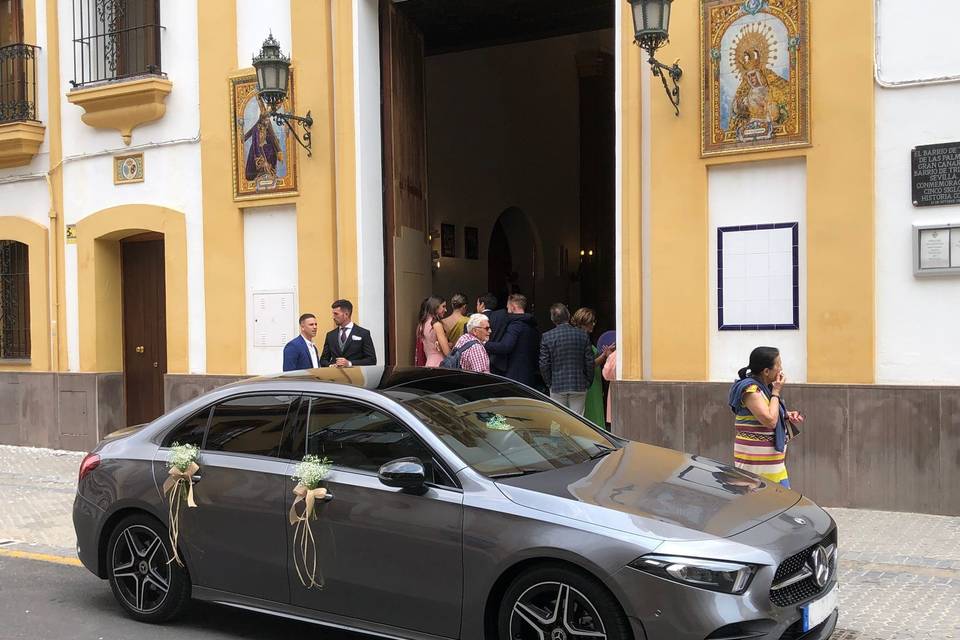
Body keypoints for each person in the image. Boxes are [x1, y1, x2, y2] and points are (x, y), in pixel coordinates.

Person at [727, 346, 804, 488]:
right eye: (778, 365)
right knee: (757, 504)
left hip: (774, 464)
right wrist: (776, 391)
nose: (781, 369)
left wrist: (785, 414)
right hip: (755, 464)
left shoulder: (764, 388)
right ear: (766, 371)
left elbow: (768, 413)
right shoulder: (751, 390)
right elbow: (769, 421)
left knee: (781, 501)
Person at [539, 303, 594, 415]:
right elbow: (589, 361)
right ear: (569, 316)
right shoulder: (582, 335)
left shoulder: (547, 337)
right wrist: (588, 381)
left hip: (557, 384)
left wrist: (549, 383)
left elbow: (544, 364)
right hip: (579, 384)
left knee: (559, 419)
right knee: (578, 420)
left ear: (552, 319)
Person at [484, 294, 541, 388]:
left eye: (508, 308)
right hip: (529, 374)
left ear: (513, 307)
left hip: (515, 375)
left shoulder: (515, 325)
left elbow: (505, 346)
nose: (507, 312)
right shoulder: (532, 325)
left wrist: (485, 344)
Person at [570, 308, 614, 427]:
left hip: (593, 380)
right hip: (590, 381)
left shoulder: (579, 337)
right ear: (585, 322)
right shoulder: (582, 339)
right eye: (591, 321)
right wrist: (605, 356)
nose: (594, 324)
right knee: (592, 410)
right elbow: (589, 364)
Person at [319, 299, 377, 367]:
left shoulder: (363, 333)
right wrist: (331, 365)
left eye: (336, 314)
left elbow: (371, 360)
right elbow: (323, 360)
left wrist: (350, 363)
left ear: (346, 314)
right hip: (335, 376)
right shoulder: (330, 335)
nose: (333, 317)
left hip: (355, 376)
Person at [477, 292, 508, 374]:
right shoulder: (502, 316)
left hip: (479, 362)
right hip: (498, 362)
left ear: (482, 304)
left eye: (477, 304)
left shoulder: (474, 321)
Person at [417, 296, 450, 367]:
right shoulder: (437, 325)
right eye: (443, 306)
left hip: (429, 363)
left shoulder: (422, 325)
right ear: (435, 307)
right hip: (439, 363)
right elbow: (447, 352)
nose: (446, 310)